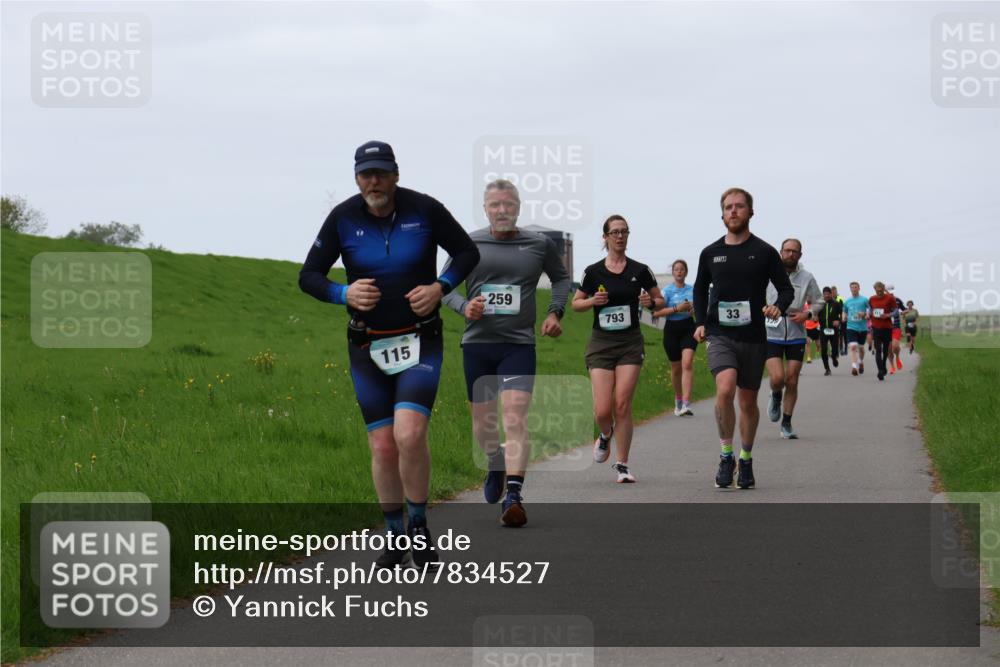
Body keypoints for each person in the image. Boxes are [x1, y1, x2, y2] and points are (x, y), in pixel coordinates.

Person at [299, 140, 480, 568]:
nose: (374, 181)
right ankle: (395, 534)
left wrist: (441, 286)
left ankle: (418, 526)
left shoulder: (425, 210)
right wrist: (342, 291)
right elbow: (308, 276)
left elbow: (467, 252)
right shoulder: (342, 217)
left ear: (396, 174)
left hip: (420, 339)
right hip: (367, 344)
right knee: (382, 446)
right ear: (357, 177)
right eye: (366, 174)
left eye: (381, 172)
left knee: (410, 434)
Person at [442, 179, 570, 527]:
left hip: (518, 345)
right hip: (477, 346)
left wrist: (555, 312)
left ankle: (514, 495)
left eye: (509, 205)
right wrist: (465, 306)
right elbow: (444, 288)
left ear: (518, 207)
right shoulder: (468, 244)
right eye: (495, 205)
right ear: (485, 209)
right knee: (484, 428)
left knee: (514, 417)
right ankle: (494, 459)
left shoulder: (539, 244)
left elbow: (561, 279)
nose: (502, 210)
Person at [693, 188, 794, 490]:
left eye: (739, 206)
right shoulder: (710, 253)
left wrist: (779, 306)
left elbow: (785, 289)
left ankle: (746, 458)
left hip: (753, 336)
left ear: (751, 212)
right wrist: (700, 323)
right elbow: (700, 290)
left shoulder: (764, 252)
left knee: (747, 402)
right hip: (719, 334)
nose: (733, 211)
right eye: (728, 207)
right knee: (724, 389)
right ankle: (726, 455)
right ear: (722, 214)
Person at [573, 215, 664, 483]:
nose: (620, 236)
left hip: (630, 343)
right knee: (603, 410)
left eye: (624, 231)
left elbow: (659, 301)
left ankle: (622, 465)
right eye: (615, 232)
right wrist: (592, 300)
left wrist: (650, 301)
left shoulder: (640, 270)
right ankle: (604, 434)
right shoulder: (593, 272)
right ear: (605, 237)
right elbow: (576, 304)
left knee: (622, 404)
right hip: (601, 343)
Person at [765, 238, 822, 439]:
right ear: (780, 252)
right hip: (771, 332)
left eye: (794, 251)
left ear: (800, 255)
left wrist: (808, 314)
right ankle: (775, 394)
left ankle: (787, 423)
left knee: (792, 379)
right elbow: (754, 296)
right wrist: (763, 308)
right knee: (778, 378)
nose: (790, 254)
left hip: (796, 333)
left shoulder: (807, 277)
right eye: (786, 250)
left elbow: (819, 301)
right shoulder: (768, 273)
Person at [652, 259, 698, 417]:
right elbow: (656, 313)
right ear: (672, 273)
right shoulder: (667, 291)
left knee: (687, 362)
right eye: (676, 269)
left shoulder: (692, 290)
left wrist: (692, 309)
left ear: (686, 272)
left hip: (688, 328)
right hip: (671, 330)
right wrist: (677, 308)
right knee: (676, 368)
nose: (679, 272)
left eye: (682, 269)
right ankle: (678, 400)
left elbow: (698, 309)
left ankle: (686, 403)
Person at [868, 281, 896, 381]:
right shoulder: (871, 299)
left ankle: (884, 365)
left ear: (883, 289)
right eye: (877, 290)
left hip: (887, 327)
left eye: (880, 290)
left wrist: (888, 315)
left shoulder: (890, 298)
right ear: (875, 289)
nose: (879, 292)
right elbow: (870, 310)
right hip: (876, 327)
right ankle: (880, 370)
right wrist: (869, 314)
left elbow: (896, 311)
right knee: (878, 349)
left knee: (885, 350)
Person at [842, 281, 870, 376]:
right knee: (853, 346)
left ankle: (860, 361)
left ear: (859, 288)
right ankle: (854, 366)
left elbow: (870, 309)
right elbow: (844, 311)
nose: (854, 289)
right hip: (851, 326)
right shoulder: (847, 301)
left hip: (862, 327)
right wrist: (843, 317)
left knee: (861, 348)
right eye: (852, 287)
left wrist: (865, 314)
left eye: (855, 287)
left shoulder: (864, 299)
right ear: (850, 289)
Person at [816, 287, 843, 376]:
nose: (827, 295)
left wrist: (838, 321)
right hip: (823, 329)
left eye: (828, 294)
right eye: (825, 294)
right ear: (823, 295)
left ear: (831, 294)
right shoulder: (820, 304)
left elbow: (841, 315)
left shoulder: (836, 304)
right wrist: (815, 317)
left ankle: (834, 357)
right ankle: (827, 368)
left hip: (833, 330)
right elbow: (815, 314)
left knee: (834, 349)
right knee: (823, 350)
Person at [886, 284, 905, 374]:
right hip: (885, 328)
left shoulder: (898, 300)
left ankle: (897, 357)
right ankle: (892, 366)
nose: (891, 294)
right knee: (889, 349)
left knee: (895, 346)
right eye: (889, 292)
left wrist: (902, 312)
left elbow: (905, 309)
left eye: (892, 293)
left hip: (896, 327)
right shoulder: (882, 301)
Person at [832, 286, 847, 355]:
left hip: (841, 319)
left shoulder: (840, 299)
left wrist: (842, 318)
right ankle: (837, 350)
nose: (834, 293)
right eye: (832, 292)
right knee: (836, 335)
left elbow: (843, 310)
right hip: (834, 320)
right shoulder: (830, 300)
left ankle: (844, 348)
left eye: (835, 292)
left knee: (843, 335)